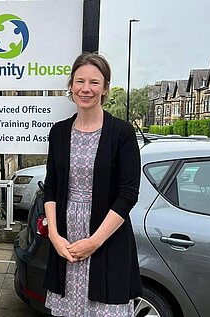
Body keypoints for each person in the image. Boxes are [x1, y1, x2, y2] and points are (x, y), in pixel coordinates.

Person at [43, 53, 142, 316]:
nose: (86, 89)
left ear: (105, 88)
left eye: (94, 82)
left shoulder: (122, 132)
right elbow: (51, 186)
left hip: (106, 238)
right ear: (71, 86)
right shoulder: (59, 132)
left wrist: (94, 242)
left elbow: (128, 194)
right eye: (80, 81)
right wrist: (54, 235)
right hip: (66, 239)